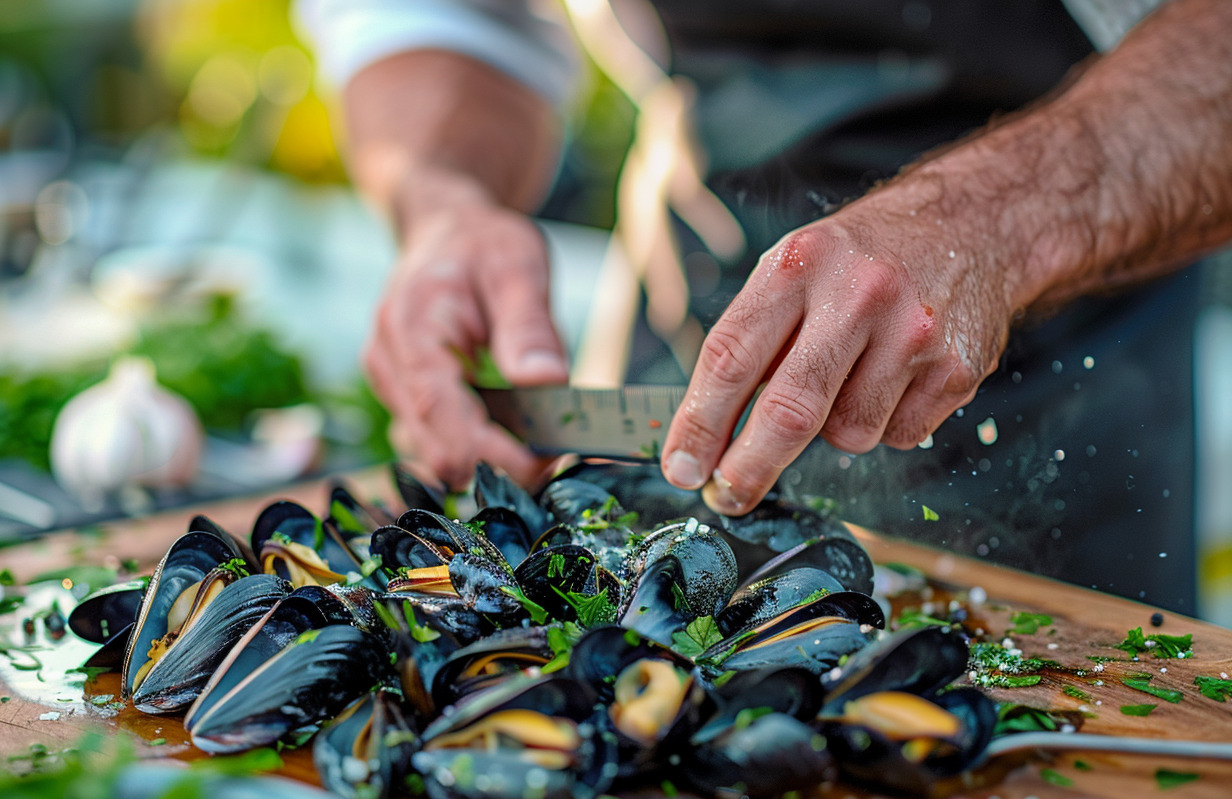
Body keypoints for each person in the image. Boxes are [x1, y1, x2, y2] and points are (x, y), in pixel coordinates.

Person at [297, 0, 1232, 614]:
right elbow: (444, 17)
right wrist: (443, 199)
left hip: (1059, 360)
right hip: (692, 296)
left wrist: (995, 223)